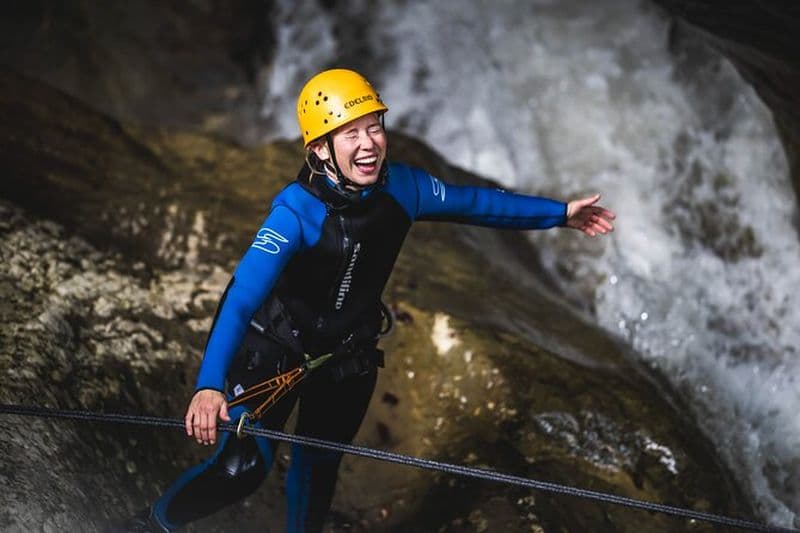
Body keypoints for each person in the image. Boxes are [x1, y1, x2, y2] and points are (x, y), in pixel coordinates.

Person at [123, 68, 615, 532]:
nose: (369, 143)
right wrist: (209, 385)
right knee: (241, 469)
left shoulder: (405, 187)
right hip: (273, 350)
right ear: (320, 150)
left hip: (346, 354)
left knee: (317, 470)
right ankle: (153, 524)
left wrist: (560, 214)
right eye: (350, 133)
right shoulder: (293, 213)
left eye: (374, 126)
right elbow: (240, 298)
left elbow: (480, 204)